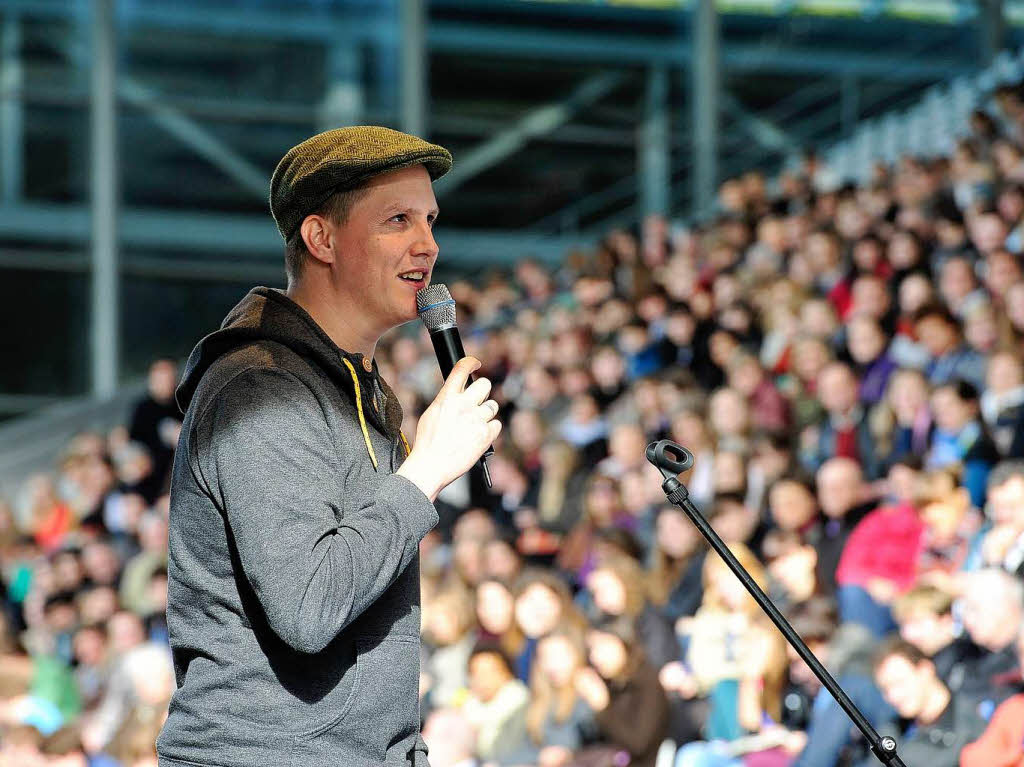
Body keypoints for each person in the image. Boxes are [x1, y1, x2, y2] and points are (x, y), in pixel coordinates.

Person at [156, 126, 502, 767]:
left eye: (429, 220)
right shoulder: (260, 389)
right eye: (397, 220)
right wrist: (423, 472)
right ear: (321, 239)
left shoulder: (352, 385)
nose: (428, 245)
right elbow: (309, 605)